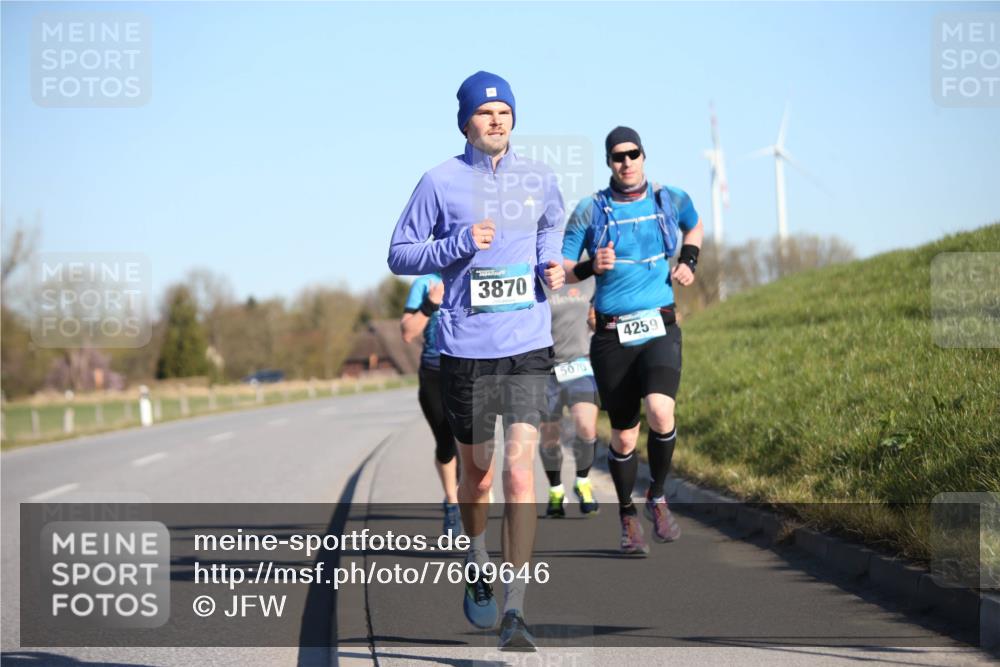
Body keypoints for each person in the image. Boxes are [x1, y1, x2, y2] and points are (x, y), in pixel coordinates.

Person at [388, 71, 565, 651]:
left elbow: (551, 228)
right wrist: (458, 244)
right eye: (485, 113)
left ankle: (516, 607)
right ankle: (476, 553)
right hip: (467, 350)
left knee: (519, 472)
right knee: (479, 474)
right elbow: (399, 252)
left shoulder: (539, 177)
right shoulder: (438, 183)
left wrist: (550, 264)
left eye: (504, 112)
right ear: (466, 121)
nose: (496, 120)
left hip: (527, 343)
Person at [562, 126, 703, 555]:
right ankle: (627, 515)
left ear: (644, 155)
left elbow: (693, 228)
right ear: (608, 162)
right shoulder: (590, 210)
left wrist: (689, 262)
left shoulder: (669, 198)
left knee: (662, 411)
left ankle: (656, 497)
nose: (626, 162)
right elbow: (563, 269)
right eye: (617, 156)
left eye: (633, 154)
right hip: (611, 335)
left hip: (659, 325)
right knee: (624, 438)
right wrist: (590, 266)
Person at [400, 273, 461, 537]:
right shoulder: (425, 284)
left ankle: (472, 489)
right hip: (434, 372)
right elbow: (408, 332)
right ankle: (453, 502)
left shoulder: (477, 270)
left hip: (471, 368)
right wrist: (430, 304)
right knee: (446, 442)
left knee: (475, 440)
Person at [538, 277, 600, 518]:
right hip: (545, 369)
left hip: (579, 364)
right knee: (549, 436)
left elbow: (595, 315)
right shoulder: (538, 278)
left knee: (586, 425)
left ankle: (582, 482)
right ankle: (556, 491)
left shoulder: (588, 278)